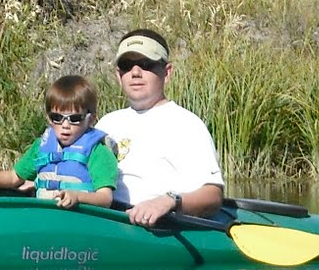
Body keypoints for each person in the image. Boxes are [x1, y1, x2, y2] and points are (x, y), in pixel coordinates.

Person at [96, 29, 224, 227]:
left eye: (146, 64)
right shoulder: (106, 123)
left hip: (158, 228)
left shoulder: (187, 125)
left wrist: (169, 201)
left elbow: (212, 196)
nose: (135, 73)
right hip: (107, 222)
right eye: (127, 66)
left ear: (167, 72)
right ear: (118, 75)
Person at [0, 75, 117, 209]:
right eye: (57, 117)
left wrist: (77, 196)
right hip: (44, 218)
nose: (65, 125)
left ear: (91, 119)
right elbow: (14, 177)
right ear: (48, 118)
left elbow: (105, 198)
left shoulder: (98, 152)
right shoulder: (41, 146)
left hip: (79, 221)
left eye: (75, 118)